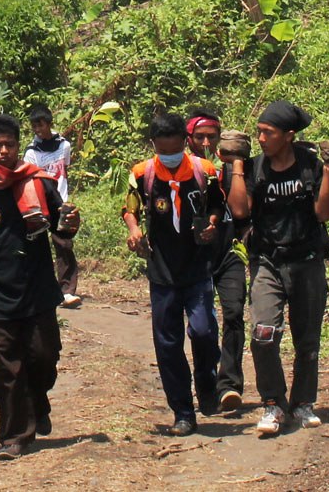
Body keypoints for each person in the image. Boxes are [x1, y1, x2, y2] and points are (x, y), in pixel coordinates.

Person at [0, 115, 80, 460]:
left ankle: (37, 401)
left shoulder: (39, 184)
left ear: (17, 145)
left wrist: (70, 223)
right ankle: (13, 436)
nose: (3, 151)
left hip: (38, 288)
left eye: (9, 145)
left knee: (44, 355)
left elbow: (63, 226)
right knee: (7, 369)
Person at [226, 100, 329, 436]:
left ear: (288, 136)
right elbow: (240, 210)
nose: (260, 138)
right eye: (258, 131)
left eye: (268, 133)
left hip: (307, 263)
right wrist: (236, 165)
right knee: (262, 335)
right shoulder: (254, 167)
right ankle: (273, 403)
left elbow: (324, 213)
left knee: (308, 340)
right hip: (267, 263)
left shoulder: (309, 167)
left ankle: (303, 404)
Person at [122, 112, 223, 436]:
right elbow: (130, 208)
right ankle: (182, 411)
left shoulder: (203, 171)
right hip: (162, 270)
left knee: (204, 331)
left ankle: (207, 384)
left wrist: (211, 224)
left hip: (197, 266)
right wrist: (135, 230)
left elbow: (217, 205)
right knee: (167, 343)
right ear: (153, 145)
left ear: (185, 141)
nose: (169, 155)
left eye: (174, 148)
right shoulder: (142, 174)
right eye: (162, 149)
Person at [186, 108, 247, 413]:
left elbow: (240, 211)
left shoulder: (231, 170)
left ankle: (230, 385)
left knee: (234, 313)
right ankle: (206, 386)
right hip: (196, 260)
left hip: (229, 254)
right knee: (204, 327)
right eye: (200, 137)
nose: (207, 142)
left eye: (213, 136)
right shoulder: (184, 173)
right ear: (189, 139)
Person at [24, 105, 81, 308]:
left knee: (64, 245)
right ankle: (41, 288)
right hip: (40, 204)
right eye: (34, 126)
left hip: (61, 202)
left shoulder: (64, 146)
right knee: (38, 247)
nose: (38, 129)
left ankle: (67, 290)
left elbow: (65, 169)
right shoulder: (31, 153)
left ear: (49, 123)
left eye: (40, 125)